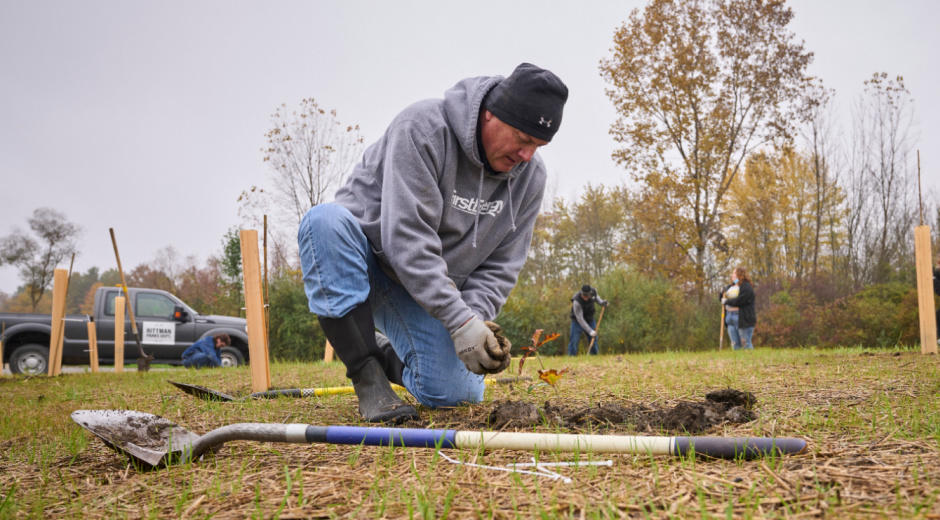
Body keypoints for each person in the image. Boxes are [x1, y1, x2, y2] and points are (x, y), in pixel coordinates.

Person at [298, 63, 568, 423]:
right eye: (522, 139)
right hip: (365, 261)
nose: (526, 156)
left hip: (424, 291)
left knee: (457, 394)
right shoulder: (423, 128)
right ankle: (369, 376)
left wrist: (473, 320)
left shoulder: (530, 179)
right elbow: (408, 240)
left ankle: (384, 351)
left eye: (539, 145)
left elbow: (502, 265)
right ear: (490, 115)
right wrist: (457, 321)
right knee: (324, 221)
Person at [567, 284, 608, 356]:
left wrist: (602, 303)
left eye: (587, 296)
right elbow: (580, 319)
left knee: (594, 340)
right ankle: (571, 358)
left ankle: (594, 357)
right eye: (583, 296)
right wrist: (590, 331)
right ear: (581, 293)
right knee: (574, 342)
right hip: (577, 322)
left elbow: (597, 298)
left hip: (590, 320)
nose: (585, 298)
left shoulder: (593, 293)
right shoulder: (577, 301)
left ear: (590, 294)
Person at [721, 268, 756, 350]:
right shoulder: (730, 286)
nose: (732, 275)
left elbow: (740, 300)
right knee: (735, 344)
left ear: (740, 275)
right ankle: (738, 361)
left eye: (734, 273)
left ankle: (752, 361)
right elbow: (722, 299)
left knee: (745, 343)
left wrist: (726, 301)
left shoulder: (746, 286)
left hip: (742, 317)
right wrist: (722, 293)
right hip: (729, 317)